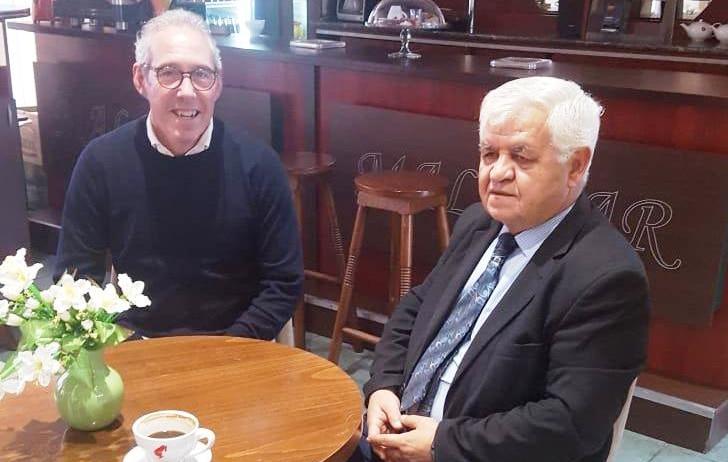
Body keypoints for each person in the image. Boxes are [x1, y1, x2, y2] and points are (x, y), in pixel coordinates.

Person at [355, 76, 650, 462]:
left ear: (576, 165)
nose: (497, 173)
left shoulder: (607, 279)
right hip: (400, 438)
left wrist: (441, 444)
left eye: (521, 157)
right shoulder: (479, 223)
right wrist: (384, 387)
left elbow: (570, 424)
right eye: (489, 154)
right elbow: (416, 308)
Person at [54, 9, 303, 340]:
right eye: (168, 73)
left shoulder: (258, 166)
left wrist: (228, 349)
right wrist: (129, 345)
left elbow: (284, 283)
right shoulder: (101, 163)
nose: (187, 91)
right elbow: (74, 278)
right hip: (136, 344)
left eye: (201, 74)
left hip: (236, 345)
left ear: (218, 84)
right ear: (140, 79)